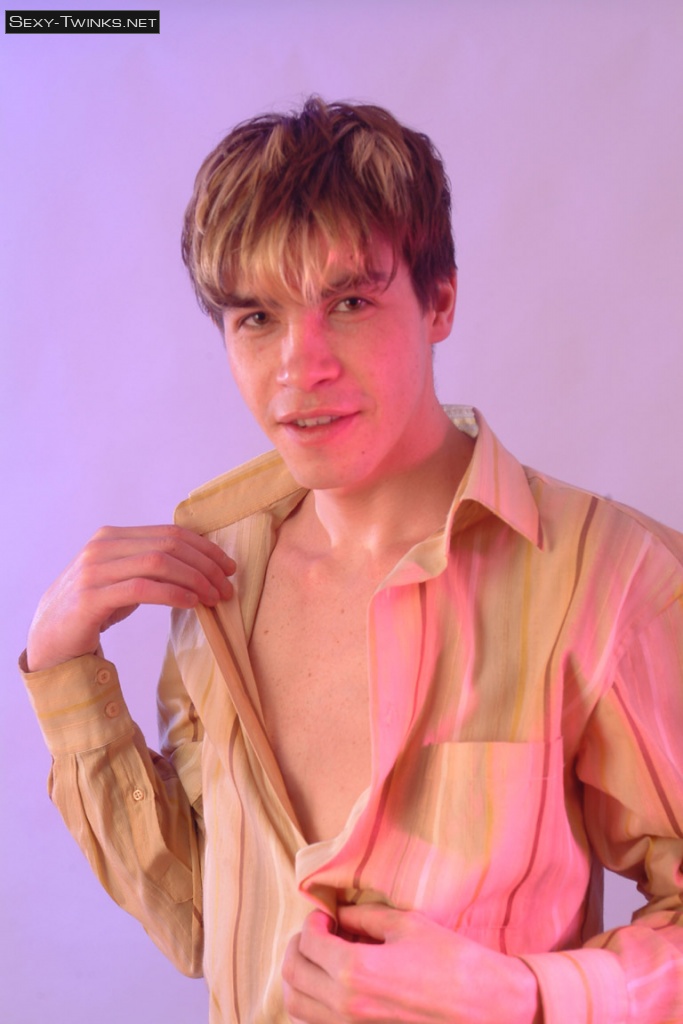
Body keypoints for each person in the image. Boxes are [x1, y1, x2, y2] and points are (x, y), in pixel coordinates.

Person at [21, 97, 683, 1023]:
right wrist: (66, 672)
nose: (302, 367)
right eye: (257, 317)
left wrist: (523, 995)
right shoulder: (215, 581)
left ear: (438, 301)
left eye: (349, 303)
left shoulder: (609, 577)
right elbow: (206, 921)